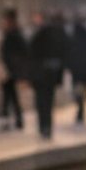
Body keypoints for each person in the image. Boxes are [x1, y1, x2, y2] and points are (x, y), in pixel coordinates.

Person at [28, 9, 68, 138]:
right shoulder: (59, 34)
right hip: (51, 74)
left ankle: (43, 126)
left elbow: (32, 51)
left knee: (41, 101)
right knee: (48, 101)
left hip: (40, 74)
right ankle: (47, 126)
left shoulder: (41, 33)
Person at [66, 12, 86, 123]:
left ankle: (80, 106)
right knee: (83, 87)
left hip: (76, 68)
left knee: (77, 87)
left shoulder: (72, 36)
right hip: (85, 67)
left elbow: (67, 51)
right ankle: (81, 106)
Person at [0, 6, 28, 129]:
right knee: (10, 96)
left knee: (9, 96)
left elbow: (18, 53)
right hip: (11, 70)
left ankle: (12, 120)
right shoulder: (15, 33)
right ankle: (16, 120)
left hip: (10, 70)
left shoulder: (13, 34)